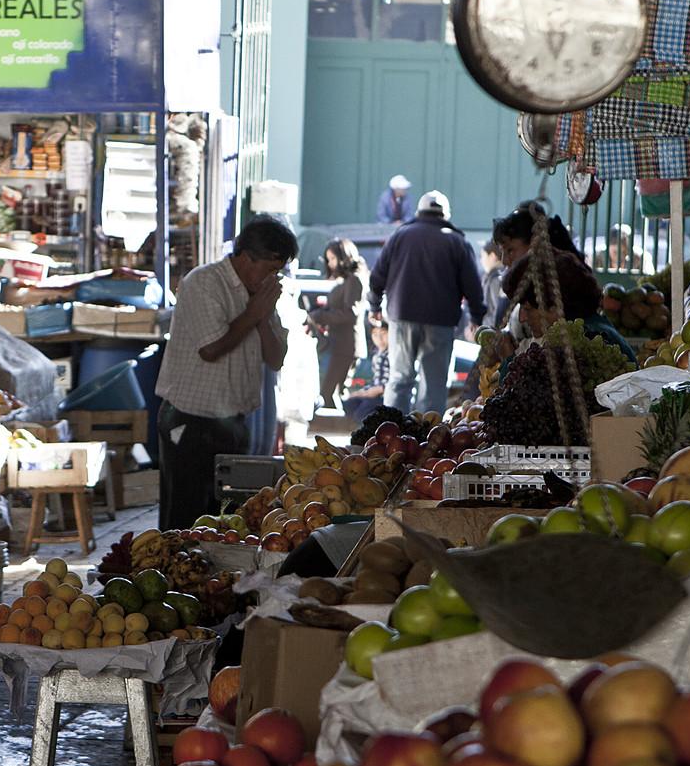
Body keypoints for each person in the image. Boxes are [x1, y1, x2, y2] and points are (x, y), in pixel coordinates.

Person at [156, 216, 296, 531]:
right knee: (185, 516)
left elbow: (275, 359)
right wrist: (254, 312)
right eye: (270, 269)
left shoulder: (262, 296)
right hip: (189, 421)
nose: (272, 278)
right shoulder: (203, 282)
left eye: (278, 271)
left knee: (229, 521)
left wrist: (262, 316)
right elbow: (211, 349)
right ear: (247, 258)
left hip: (235, 421)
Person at [368, 191, 486, 414]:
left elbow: (377, 276)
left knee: (399, 378)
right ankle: (427, 439)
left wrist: (374, 306)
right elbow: (472, 285)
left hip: (401, 317)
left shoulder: (400, 236)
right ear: (445, 214)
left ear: (418, 212)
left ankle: (391, 432)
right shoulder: (456, 241)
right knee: (434, 384)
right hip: (439, 321)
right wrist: (476, 317)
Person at [503, 247, 640, 364]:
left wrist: (509, 359)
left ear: (556, 306)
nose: (522, 318)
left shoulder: (587, 341)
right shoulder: (590, 328)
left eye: (528, 309)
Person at [309, 238, 366, 410]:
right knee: (331, 394)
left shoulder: (353, 280)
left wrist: (320, 315)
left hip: (346, 345)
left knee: (330, 393)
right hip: (341, 344)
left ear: (344, 257)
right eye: (328, 260)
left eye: (333, 259)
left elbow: (350, 314)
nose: (330, 264)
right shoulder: (347, 280)